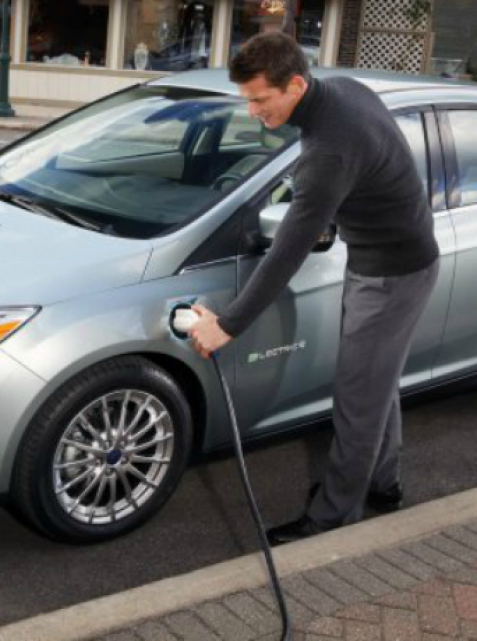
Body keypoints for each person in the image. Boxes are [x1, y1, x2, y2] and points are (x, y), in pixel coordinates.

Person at [188, 32, 440, 546]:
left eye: (261, 99)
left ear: (296, 84)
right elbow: (377, 165)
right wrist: (344, 211)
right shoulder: (345, 89)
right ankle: (383, 484)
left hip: (393, 274)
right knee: (376, 383)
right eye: (248, 99)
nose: (253, 111)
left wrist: (227, 326)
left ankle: (332, 518)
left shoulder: (326, 151)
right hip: (390, 259)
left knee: (356, 395)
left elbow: (287, 252)